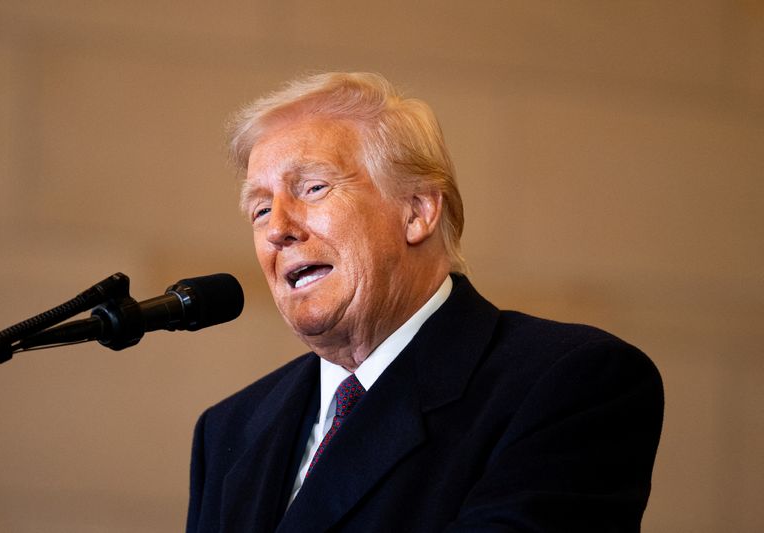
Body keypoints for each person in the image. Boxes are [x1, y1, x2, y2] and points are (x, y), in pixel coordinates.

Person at [186, 72, 664, 533]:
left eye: (313, 188)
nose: (277, 229)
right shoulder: (229, 429)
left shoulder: (568, 383)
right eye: (261, 209)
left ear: (417, 211)